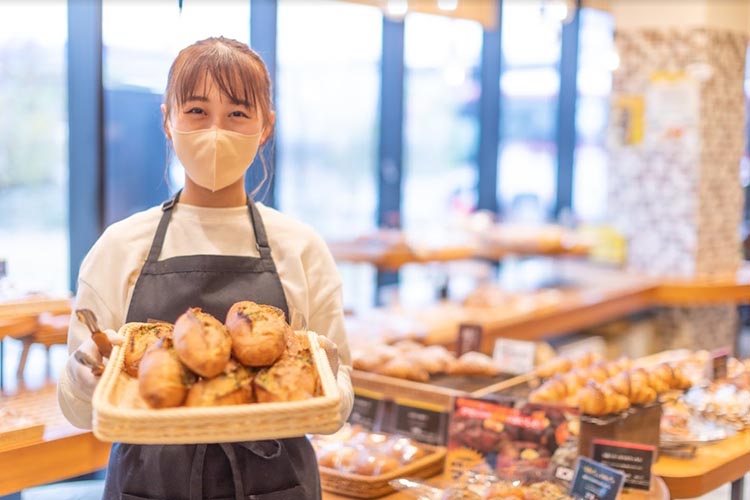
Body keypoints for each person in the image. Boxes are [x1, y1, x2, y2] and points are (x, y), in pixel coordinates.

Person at [58, 36, 353, 500]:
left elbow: (335, 412)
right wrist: (82, 376)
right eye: (196, 111)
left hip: (278, 484)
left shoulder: (300, 247)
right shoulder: (120, 247)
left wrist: (332, 378)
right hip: (148, 484)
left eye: (237, 113)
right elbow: (79, 413)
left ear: (266, 127)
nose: (216, 131)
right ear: (168, 122)